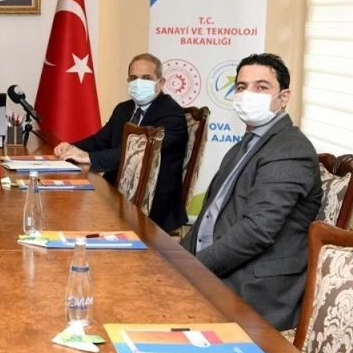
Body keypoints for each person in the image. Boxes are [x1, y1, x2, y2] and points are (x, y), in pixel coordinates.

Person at [182, 53, 321, 330]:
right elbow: (211, 215)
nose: (248, 95)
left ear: (284, 97)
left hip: (253, 289)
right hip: (219, 268)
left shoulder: (290, 149)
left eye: (261, 87)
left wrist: (192, 269)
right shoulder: (247, 144)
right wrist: (174, 259)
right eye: (242, 87)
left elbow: (257, 231)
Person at [54, 53, 188, 232]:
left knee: (78, 214)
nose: (139, 83)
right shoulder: (123, 109)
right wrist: (72, 147)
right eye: (134, 78)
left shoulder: (171, 114)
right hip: (117, 192)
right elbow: (100, 140)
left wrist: (90, 157)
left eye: (146, 78)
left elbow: (139, 153)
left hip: (155, 202)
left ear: (161, 82)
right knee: (65, 209)